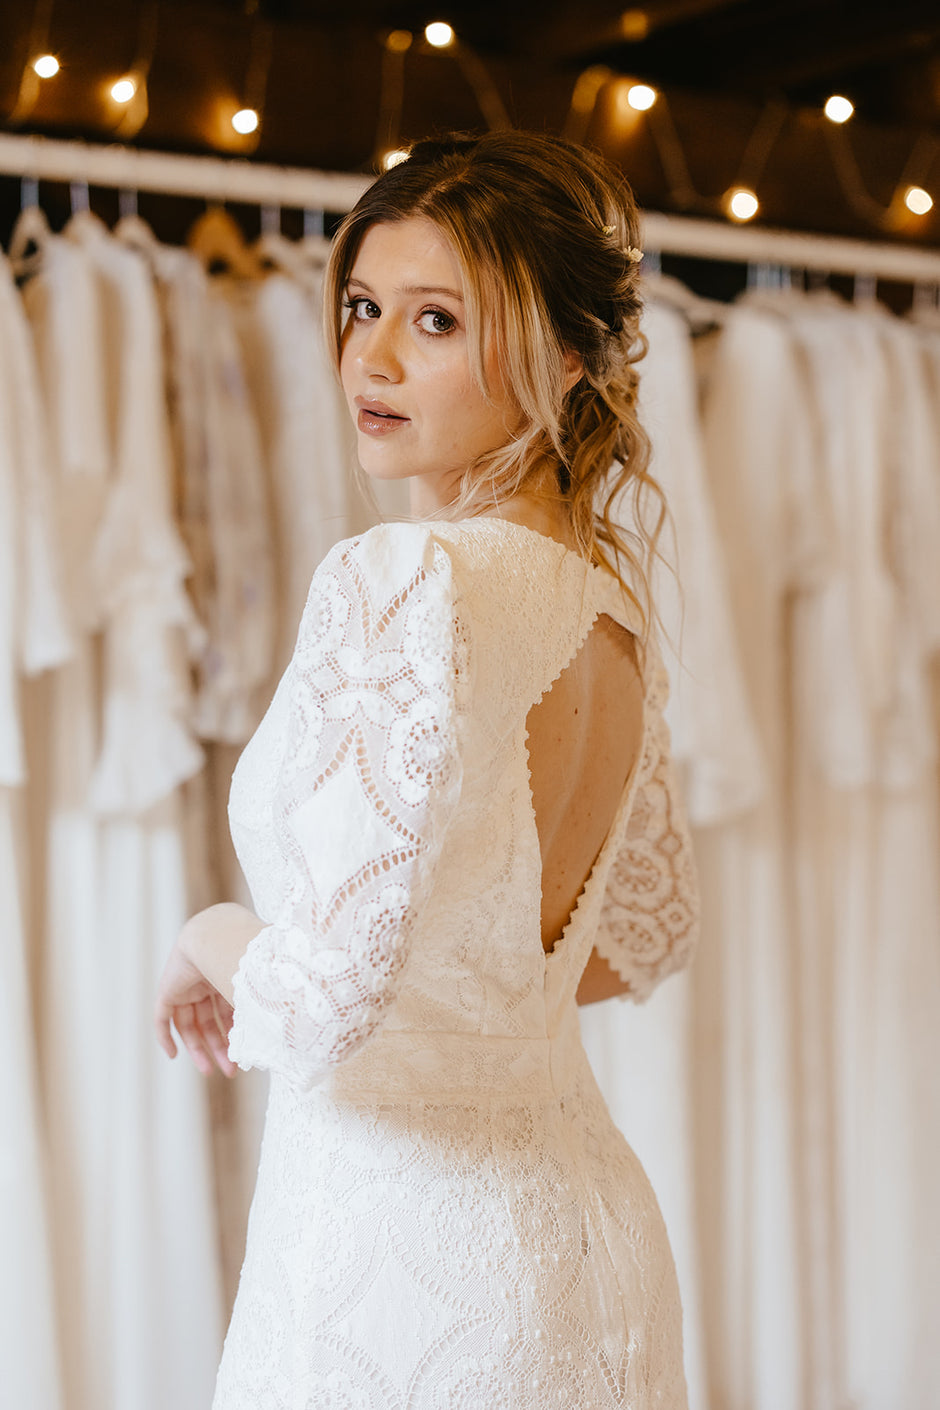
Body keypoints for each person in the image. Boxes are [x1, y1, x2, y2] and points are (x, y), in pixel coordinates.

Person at [154, 129, 700, 1409]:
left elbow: (313, 1012)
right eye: (360, 309)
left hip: (398, 1271)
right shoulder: (607, 612)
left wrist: (208, 930)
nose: (372, 359)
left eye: (437, 321)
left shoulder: (406, 577)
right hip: (581, 1242)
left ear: (566, 356)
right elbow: (637, 941)